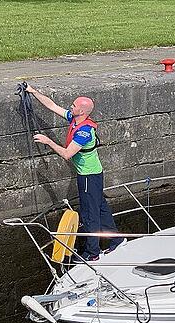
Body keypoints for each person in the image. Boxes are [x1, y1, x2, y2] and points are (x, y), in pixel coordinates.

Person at [25, 84, 125, 261]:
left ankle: (92, 253)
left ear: (82, 111)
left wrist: (48, 141)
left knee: (89, 214)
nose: (70, 107)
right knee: (101, 208)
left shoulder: (84, 133)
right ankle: (116, 239)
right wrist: (33, 92)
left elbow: (66, 154)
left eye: (73, 105)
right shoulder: (75, 119)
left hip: (88, 176)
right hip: (94, 174)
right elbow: (52, 106)